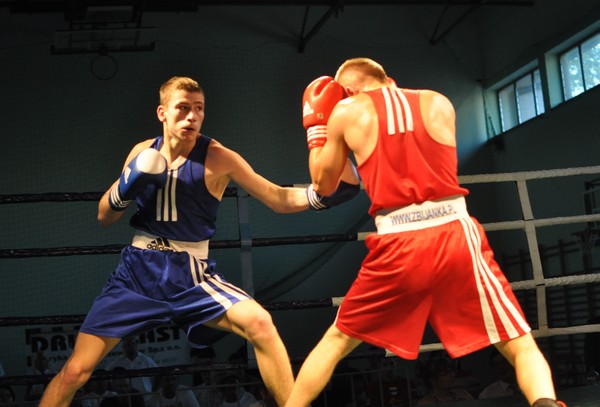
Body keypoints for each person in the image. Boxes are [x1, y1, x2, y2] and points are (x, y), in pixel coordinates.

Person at [39, 76, 360, 407]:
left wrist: (321, 197)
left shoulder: (218, 157)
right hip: (136, 275)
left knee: (260, 323)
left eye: (199, 109)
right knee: (75, 372)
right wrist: (124, 189)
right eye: (182, 108)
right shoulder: (142, 152)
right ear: (162, 113)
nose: (192, 116)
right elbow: (104, 216)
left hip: (190, 275)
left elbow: (278, 198)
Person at [283, 58, 566, 407]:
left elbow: (324, 185)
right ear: (386, 78)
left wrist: (317, 130)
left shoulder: (347, 110)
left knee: (336, 342)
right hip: (456, 231)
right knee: (519, 343)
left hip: (398, 241)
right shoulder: (438, 101)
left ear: (349, 91)